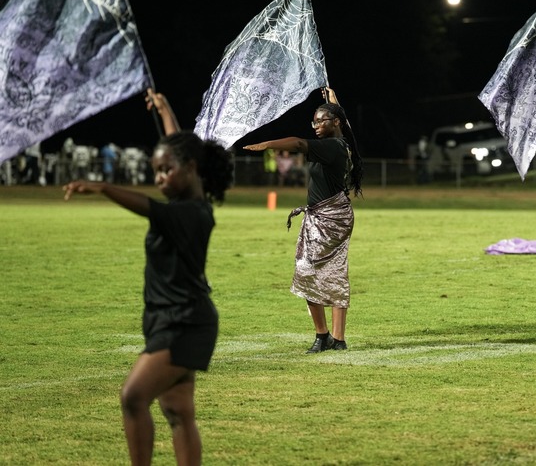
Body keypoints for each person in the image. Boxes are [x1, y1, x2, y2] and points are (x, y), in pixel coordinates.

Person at [63, 87, 234, 466]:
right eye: (155, 171)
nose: (158, 178)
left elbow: (149, 207)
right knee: (178, 412)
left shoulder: (191, 214)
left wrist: (103, 187)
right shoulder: (187, 195)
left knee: (133, 396)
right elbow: (182, 152)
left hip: (185, 322)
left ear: (190, 169)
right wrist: (166, 110)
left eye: (165, 170)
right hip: (165, 316)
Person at [243, 87, 363, 353]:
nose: (317, 125)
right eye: (315, 121)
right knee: (334, 272)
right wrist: (332, 98)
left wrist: (268, 144)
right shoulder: (346, 142)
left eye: (323, 120)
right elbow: (344, 120)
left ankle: (323, 336)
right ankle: (336, 340)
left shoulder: (332, 147)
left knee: (307, 270)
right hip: (335, 214)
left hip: (328, 218)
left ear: (336, 123)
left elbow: (298, 144)